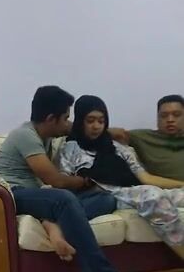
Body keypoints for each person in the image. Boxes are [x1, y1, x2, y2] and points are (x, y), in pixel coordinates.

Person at [0, 85, 144, 272]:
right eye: (65, 117)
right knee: (64, 198)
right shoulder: (25, 136)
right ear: (51, 119)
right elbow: (56, 180)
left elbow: (77, 127)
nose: (68, 123)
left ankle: (55, 225)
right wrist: (86, 181)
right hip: (12, 193)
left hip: (36, 196)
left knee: (106, 199)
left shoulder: (45, 132)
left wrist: (108, 131)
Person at [58, 95, 184, 261]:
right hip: (106, 195)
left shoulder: (117, 147)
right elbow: (63, 181)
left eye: (101, 121)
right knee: (153, 196)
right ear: (80, 120)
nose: (96, 126)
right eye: (90, 121)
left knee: (175, 194)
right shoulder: (70, 148)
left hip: (131, 191)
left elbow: (146, 178)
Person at [113, 95, 184, 182]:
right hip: (170, 187)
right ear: (158, 118)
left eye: (176, 115)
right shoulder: (144, 137)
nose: (170, 120)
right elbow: (111, 133)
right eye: (164, 116)